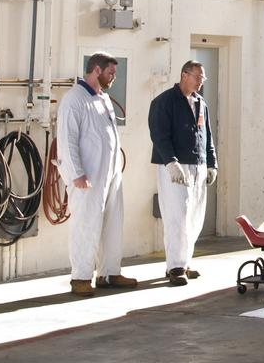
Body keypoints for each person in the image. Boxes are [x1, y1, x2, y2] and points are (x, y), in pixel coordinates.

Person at [57, 52, 136, 296]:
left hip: (110, 174)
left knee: (113, 222)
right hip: (87, 176)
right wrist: (76, 173)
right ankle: (80, 277)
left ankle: (109, 272)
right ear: (97, 70)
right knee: (86, 224)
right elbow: (67, 139)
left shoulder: (104, 99)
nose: (114, 77)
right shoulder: (74, 99)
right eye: (111, 73)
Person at [149, 60, 218, 287]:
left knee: (195, 216)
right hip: (175, 166)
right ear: (184, 75)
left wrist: (211, 163)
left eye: (203, 78)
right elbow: (159, 134)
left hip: (197, 164)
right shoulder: (164, 102)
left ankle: (185, 262)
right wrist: (170, 161)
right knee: (176, 215)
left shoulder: (201, 103)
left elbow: (207, 134)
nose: (201, 81)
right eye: (198, 76)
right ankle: (175, 266)